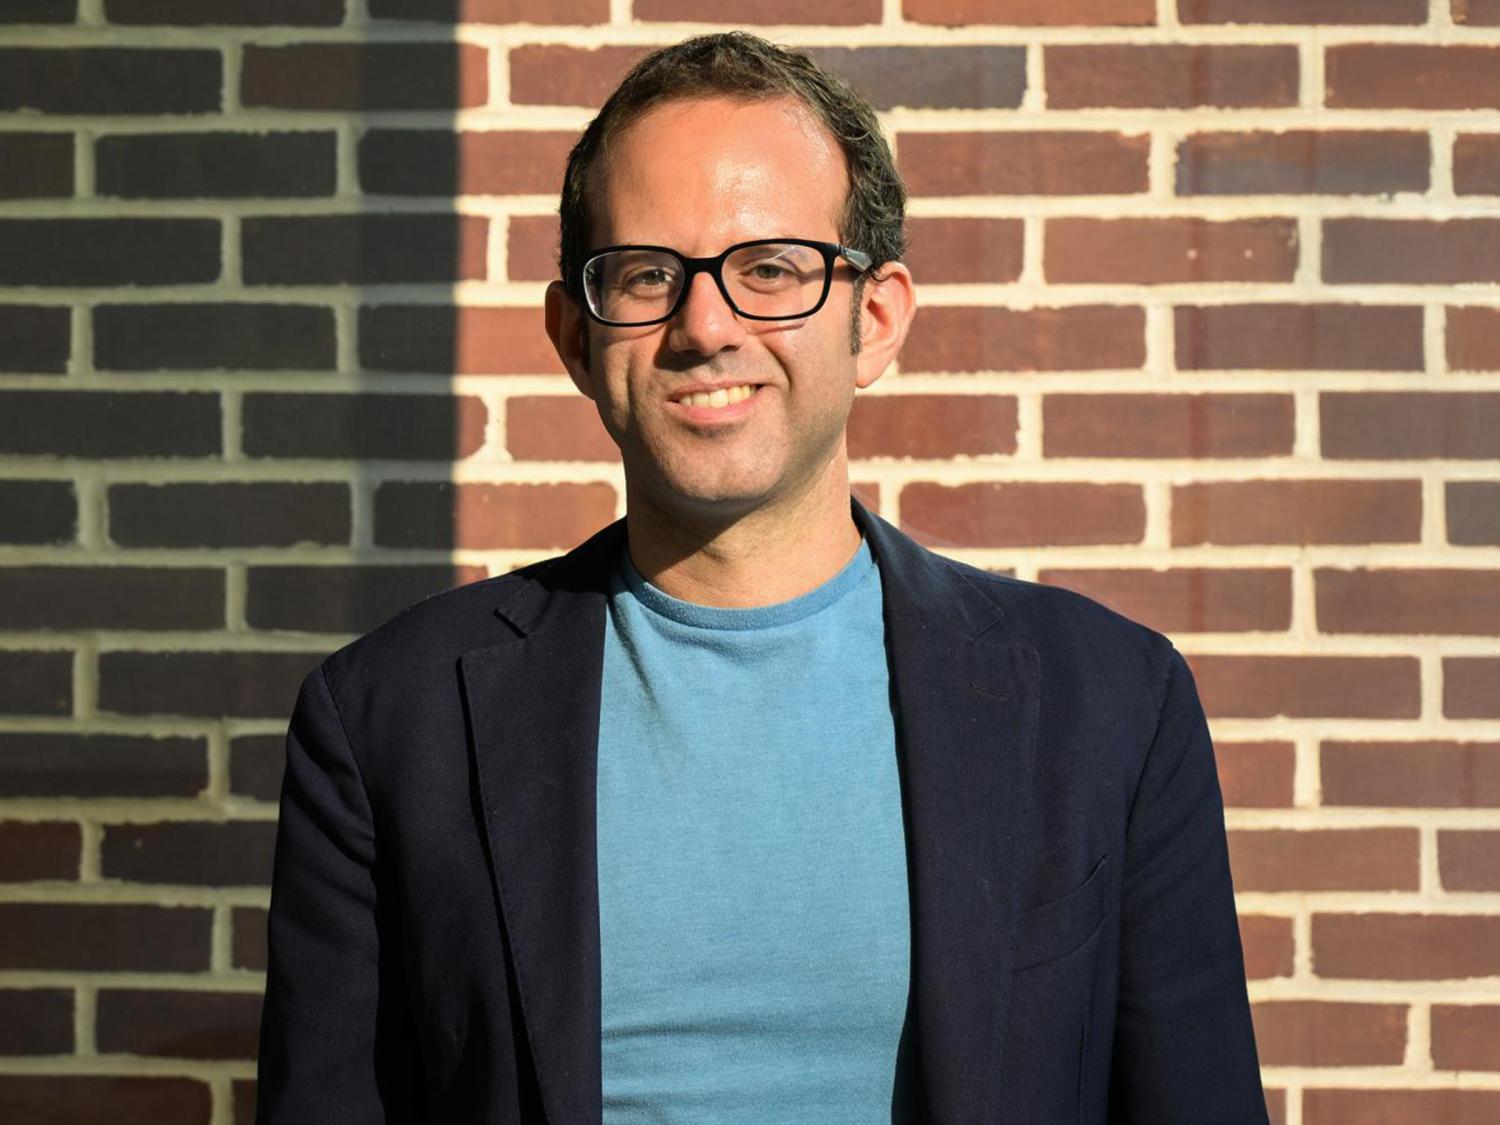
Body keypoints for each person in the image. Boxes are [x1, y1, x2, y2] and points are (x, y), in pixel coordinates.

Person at [256, 32, 1268, 1124]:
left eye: (770, 271)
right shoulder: (387, 721)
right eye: (647, 275)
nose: (705, 326)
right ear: (573, 336)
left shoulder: (1109, 701)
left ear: (873, 320)